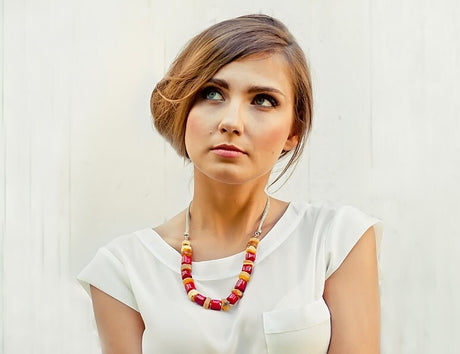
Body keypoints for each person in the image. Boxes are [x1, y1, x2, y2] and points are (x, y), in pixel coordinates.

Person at [78, 14, 382, 354]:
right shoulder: (123, 269)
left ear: (293, 132)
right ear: (184, 108)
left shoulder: (336, 240)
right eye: (212, 93)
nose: (231, 122)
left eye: (263, 100)